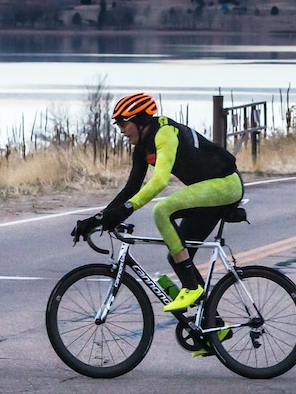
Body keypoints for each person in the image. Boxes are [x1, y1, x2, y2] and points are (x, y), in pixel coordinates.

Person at [73, 93, 243, 315]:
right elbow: (130, 189)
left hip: (226, 185)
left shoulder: (165, 134)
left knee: (162, 210)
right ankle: (214, 327)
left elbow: (160, 181)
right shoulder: (142, 148)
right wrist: (100, 217)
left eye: (124, 123)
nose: (121, 130)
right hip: (208, 191)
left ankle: (192, 288)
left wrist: (126, 210)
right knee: (177, 256)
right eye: (118, 125)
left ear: (140, 120)